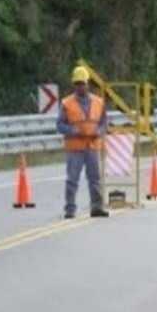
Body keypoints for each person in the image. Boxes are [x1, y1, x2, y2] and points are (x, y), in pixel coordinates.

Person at [56, 66, 109, 219]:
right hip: (75, 147)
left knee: (95, 179)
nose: (80, 86)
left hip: (92, 146)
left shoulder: (99, 102)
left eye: (82, 83)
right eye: (77, 83)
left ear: (88, 84)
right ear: (74, 85)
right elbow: (59, 125)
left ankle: (97, 207)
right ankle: (70, 209)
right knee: (72, 180)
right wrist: (74, 131)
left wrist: (98, 131)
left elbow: (104, 122)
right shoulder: (66, 104)